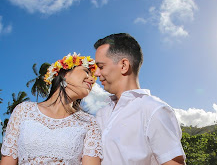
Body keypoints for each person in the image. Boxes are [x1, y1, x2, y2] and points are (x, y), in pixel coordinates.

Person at [94, 33, 186, 165]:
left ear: (124, 65)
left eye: (101, 67)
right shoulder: (101, 113)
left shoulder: (154, 110)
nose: (96, 73)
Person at [1, 53, 103, 165]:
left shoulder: (89, 122)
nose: (92, 80)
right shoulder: (24, 110)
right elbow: (8, 161)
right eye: (86, 72)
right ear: (64, 74)